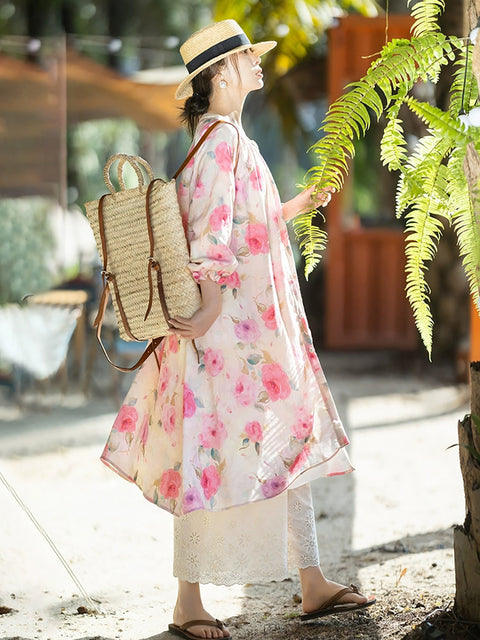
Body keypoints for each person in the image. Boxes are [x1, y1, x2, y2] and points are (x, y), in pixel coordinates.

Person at [100, 19, 375, 640]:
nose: (259, 66)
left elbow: (243, 222)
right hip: (232, 331)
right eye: (251, 59)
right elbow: (214, 234)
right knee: (211, 452)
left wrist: (300, 206)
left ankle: (311, 580)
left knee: (283, 435)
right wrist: (211, 311)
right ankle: (189, 603)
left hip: (243, 328)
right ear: (222, 73)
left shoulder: (218, 139)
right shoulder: (223, 141)